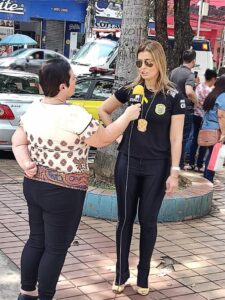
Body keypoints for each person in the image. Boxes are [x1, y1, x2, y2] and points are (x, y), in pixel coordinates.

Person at [12, 58, 141, 300]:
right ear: (62, 87)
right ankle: (45, 297)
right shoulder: (73, 114)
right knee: (55, 248)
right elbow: (103, 138)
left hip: (33, 185)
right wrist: (127, 117)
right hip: (63, 193)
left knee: (36, 240)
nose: (75, 82)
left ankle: (26, 293)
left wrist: (26, 163)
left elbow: (18, 142)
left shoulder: (34, 108)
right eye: (73, 79)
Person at [98, 40, 185, 296]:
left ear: (159, 62)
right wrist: (118, 136)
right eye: (140, 63)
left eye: (148, 63)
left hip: (156, 167)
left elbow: (176, 138)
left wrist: (175, 171)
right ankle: (121, 274)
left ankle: (143, 276)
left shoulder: (173, 96)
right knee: (124, 221)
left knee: (148, 222)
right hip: (127, 162)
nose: (143, 68)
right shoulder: (131, 90)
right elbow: (104, 110)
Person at [170, 50, 198, 169]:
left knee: (171, 135)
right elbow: (189, 91)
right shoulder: (189, 74)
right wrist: (197, 101)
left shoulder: (174, 71)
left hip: (171, 106)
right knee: (183, 137)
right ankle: (179, 164)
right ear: (194, 61)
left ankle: (169, 161)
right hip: (185, 109)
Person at [189, 69, 217, 171]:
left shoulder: (199, 87)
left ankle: (191, 162)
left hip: (196, 115)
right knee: (204, 141)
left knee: (195, 140)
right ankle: (199, 165)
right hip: (205, 119)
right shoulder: (211, 91)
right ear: (213, 79)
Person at [202, 75, 225, 183]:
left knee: (211, 154)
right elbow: (221, 116)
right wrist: (224, 133)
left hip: (207, 128)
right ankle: (208, 179)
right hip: (216, 130)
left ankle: (207, 177)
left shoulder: (213, 94)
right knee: (214, 155)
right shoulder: (223, 96)